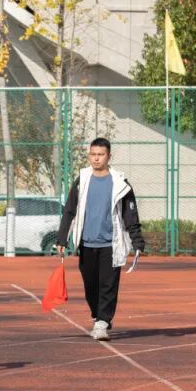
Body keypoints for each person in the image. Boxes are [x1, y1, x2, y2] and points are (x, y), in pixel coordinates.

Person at [56, 137, 145, 341]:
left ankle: (102, 323)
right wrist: (62, 239)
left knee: (108, 285)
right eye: (93, 154)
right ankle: (99, 315)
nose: (96, 159)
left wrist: (137, 239)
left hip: (111, 245)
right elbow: (69, 211)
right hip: (86, 244)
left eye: (101, 155)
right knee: (91, 286)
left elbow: (130, 214)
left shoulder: (120, 183)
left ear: (108, 156)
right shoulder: (82, 180)